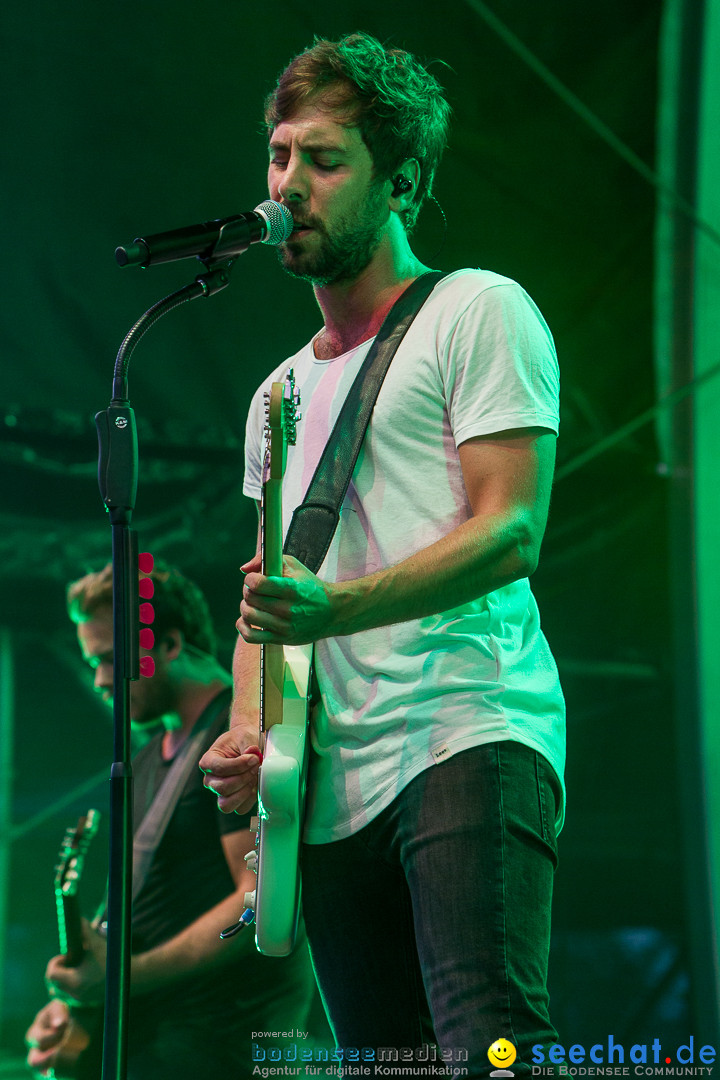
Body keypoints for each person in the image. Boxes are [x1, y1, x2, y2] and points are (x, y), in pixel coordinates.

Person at [200, 31, 566, 1077]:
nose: (289, 185)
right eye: (279, 156)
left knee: (489, 1048)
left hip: (465, 730)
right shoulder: (275, 394)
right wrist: (246, 736)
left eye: (324, 160)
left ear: (400, 179)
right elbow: (266, 600)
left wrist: (338, 611)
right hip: (327, 786)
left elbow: (511, 531)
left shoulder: (478, 310)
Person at [26, 561, 318, 1080]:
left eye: (112, 660)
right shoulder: (145, 758)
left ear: (171, 645)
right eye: (92, 661)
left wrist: (125, 977)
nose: (98, 680)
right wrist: (78, 1001)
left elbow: (259, 897)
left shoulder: (236, 743)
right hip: (150, 1036)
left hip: (215, 1042)